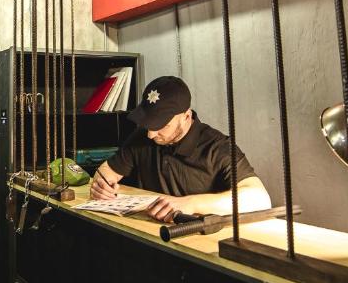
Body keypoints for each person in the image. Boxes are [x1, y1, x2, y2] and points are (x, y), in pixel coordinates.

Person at [90, 76, 271, 222]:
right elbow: (107, 171)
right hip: (149, 236)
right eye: (148, 124)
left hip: (198, 243)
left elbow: (259, 199)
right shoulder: (141, 137)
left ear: (186, 117)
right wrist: (102, 185)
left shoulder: (217, 147)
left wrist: (189, 204)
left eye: (161, 125)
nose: (150, 134)